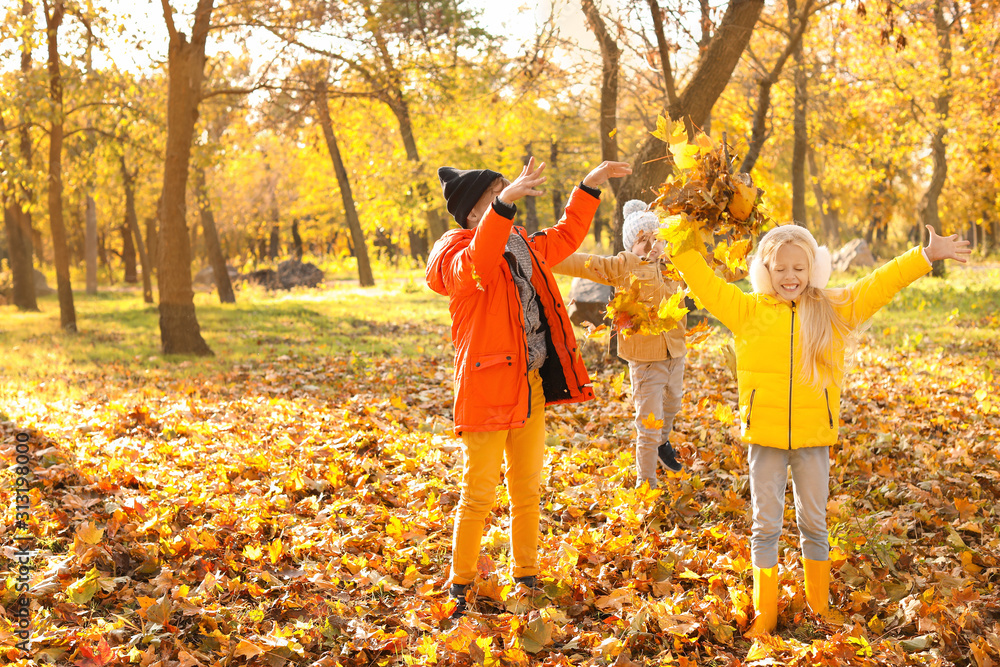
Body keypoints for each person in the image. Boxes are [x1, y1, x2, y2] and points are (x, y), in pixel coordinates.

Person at [669, 221, 970, 634]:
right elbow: (703, 281)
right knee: (765, 526)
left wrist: (925, 256)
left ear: (812, 267)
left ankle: (819, 610)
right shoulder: (747, 310)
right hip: (765, 439)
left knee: (814, 524)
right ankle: (765, 616)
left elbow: (878, 284)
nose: (790, 277)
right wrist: (675, 237)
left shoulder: (832, 308)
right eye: (780, 269)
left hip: (813, 438)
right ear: (765, 270)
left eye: (799, 267)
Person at [425, 157, 632, 616]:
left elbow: (561, 238)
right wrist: (505, 204)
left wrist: (588, 187)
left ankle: (527, 575)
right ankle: (459, 585)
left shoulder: (518, 241)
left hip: (530, 385)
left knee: (527, 489)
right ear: (476, 212)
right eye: (499, 194)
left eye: (509, 191)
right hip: (486, 391)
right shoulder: (453, 253)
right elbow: (477, 263)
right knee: (478, 493)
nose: (512, 197)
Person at [553, 200, 687, 488]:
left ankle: (663, 442)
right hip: (644, 359)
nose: (651, 246)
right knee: (649, 421)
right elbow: (586, 264)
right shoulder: (623, 266)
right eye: (642, 241)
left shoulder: (673, 266)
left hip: (675, 352)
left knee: (673, 403)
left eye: (656, 240)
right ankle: (645, 481)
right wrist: (547, 255)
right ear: (630, 245)